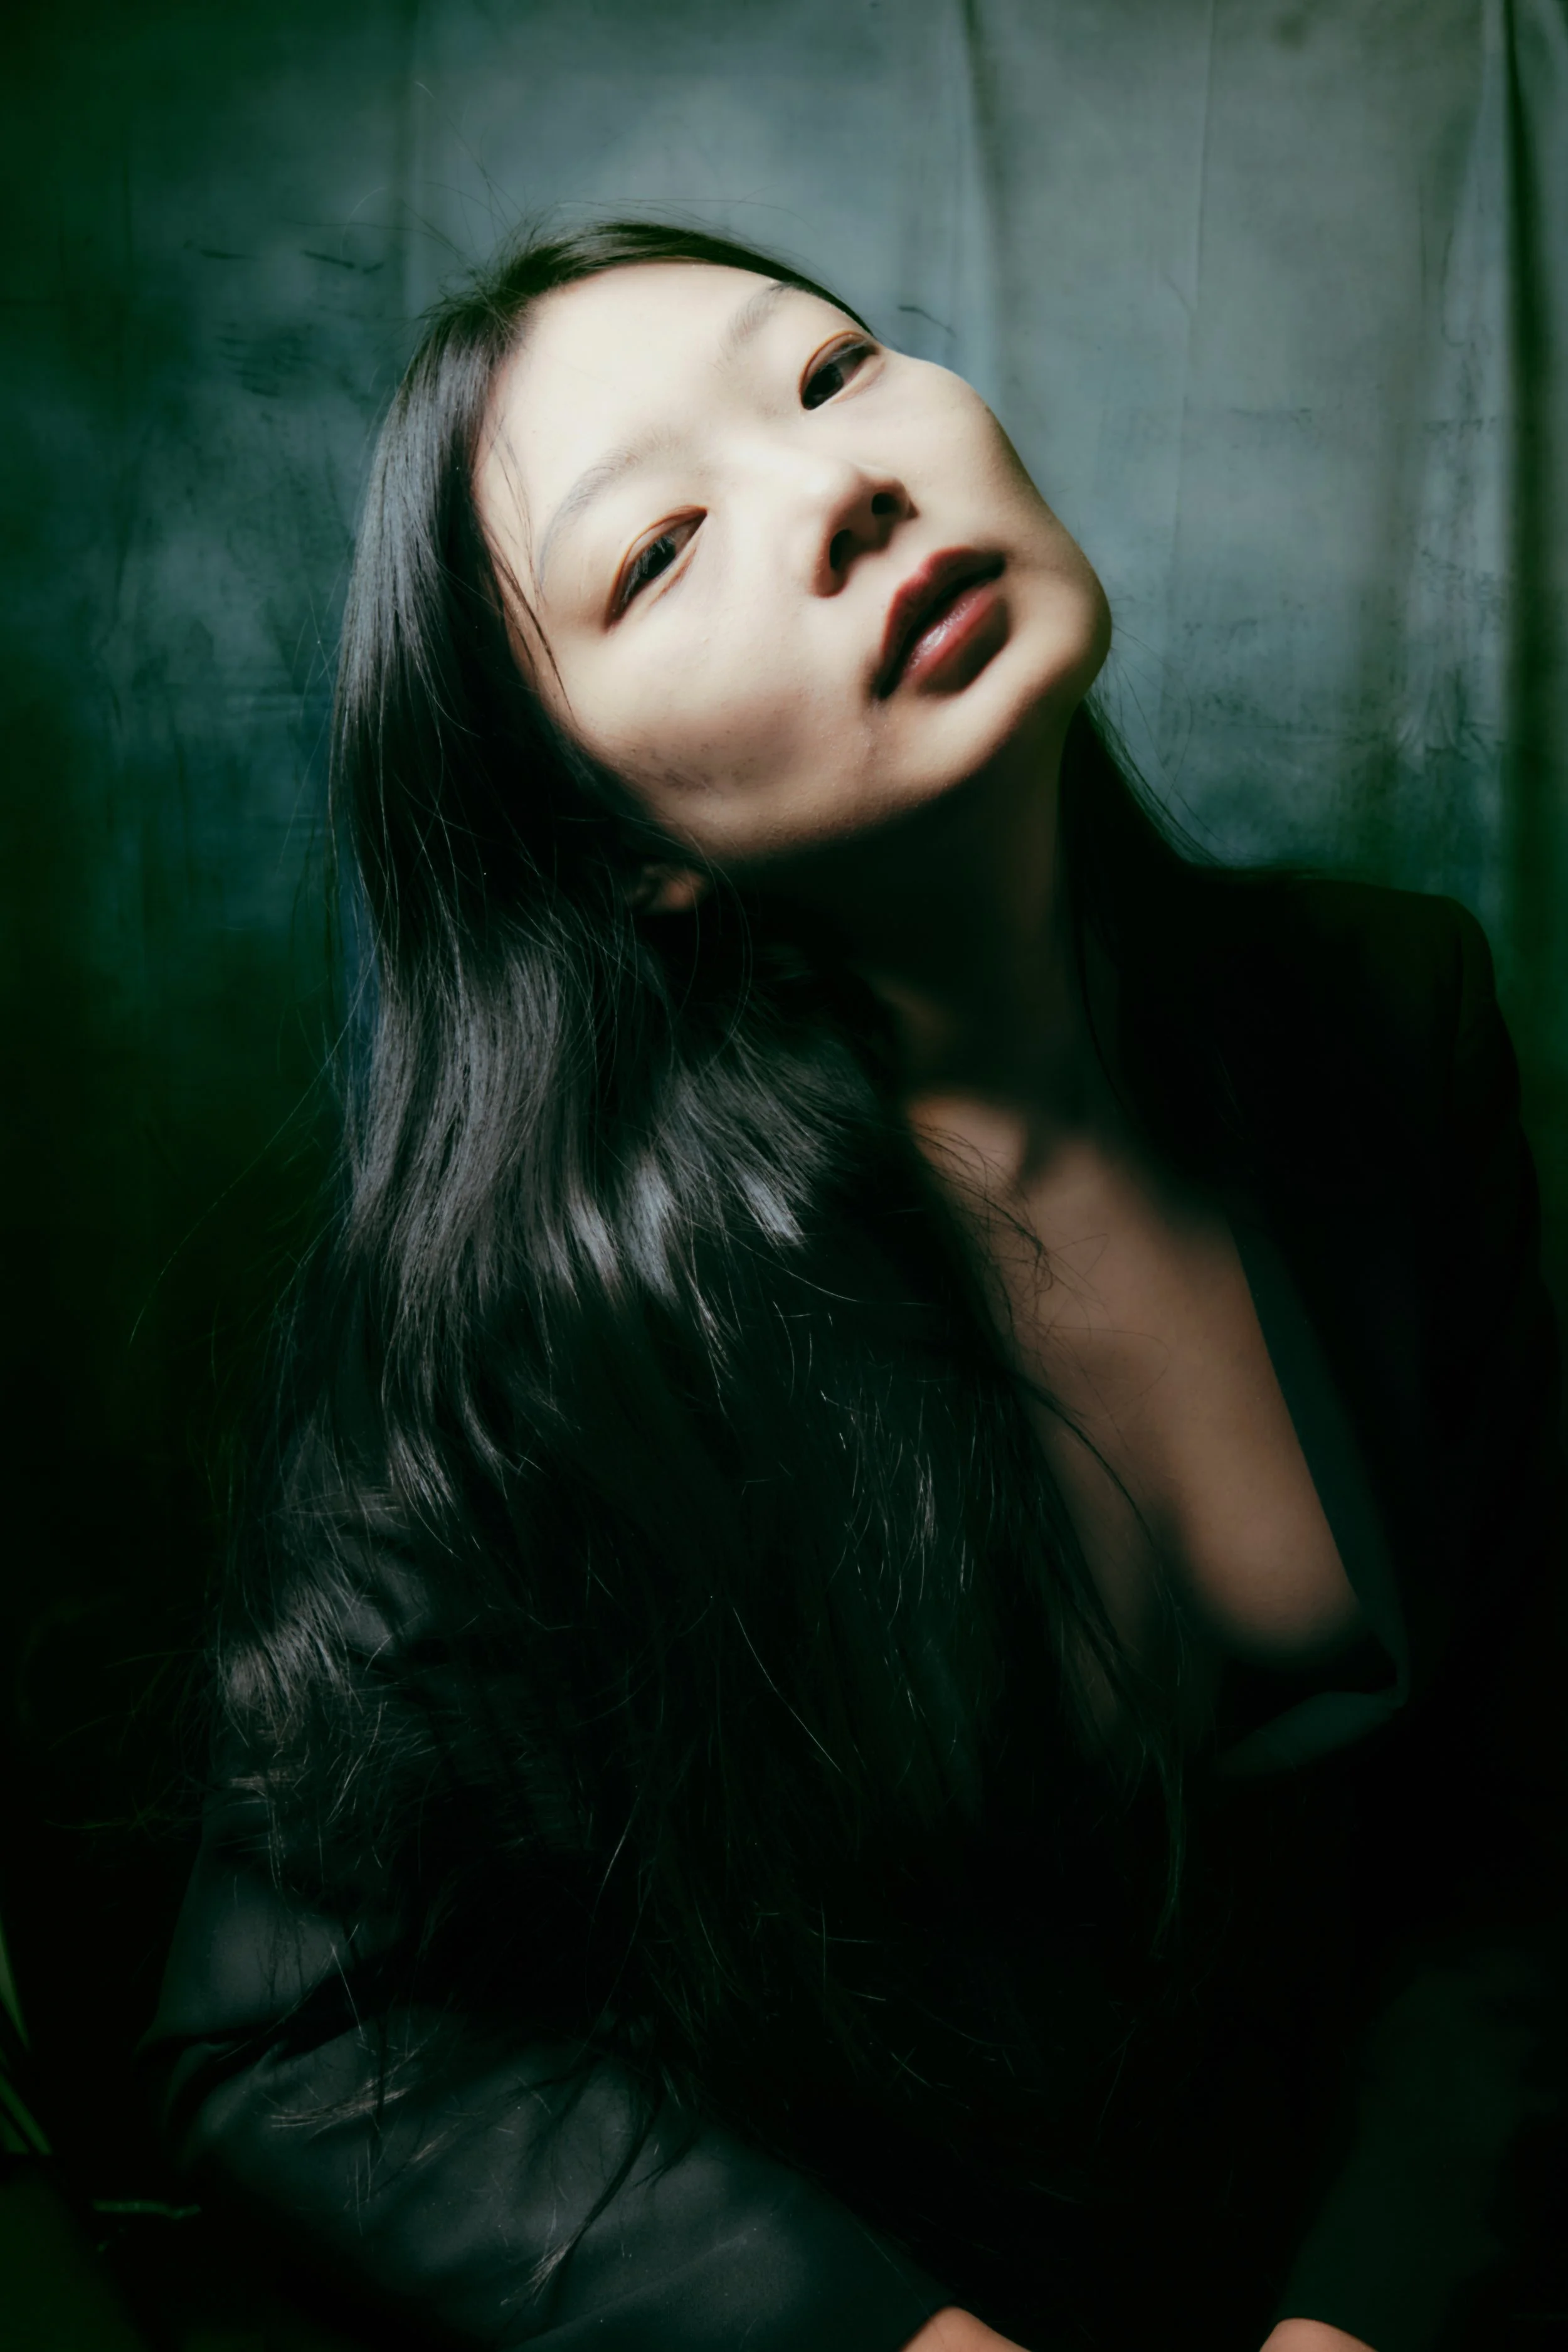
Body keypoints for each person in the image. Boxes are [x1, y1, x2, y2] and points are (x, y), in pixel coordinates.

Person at [142, 220, 1567, 2352]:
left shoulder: (1383, 1018)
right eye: (660, 551)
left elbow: (1519, 1817)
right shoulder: (545, 1308)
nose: (841, 487)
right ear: (626, 842)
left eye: (828, 373)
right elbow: (304, 2030)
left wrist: (1363, 2320)